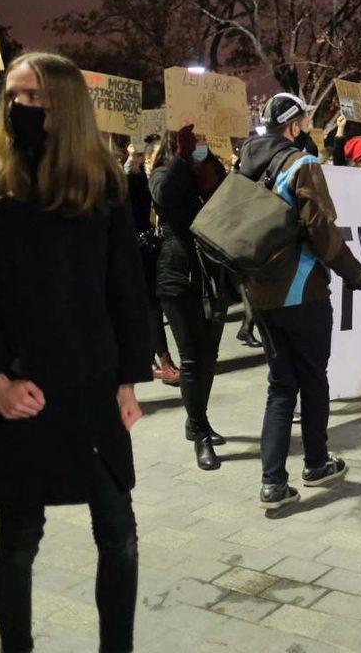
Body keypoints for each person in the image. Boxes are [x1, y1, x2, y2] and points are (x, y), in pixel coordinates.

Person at [0, 51, 150, 653]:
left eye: (37, 98)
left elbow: (125, 289)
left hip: (91, 394)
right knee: (18, 538)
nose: (21, 107)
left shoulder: (102, 183)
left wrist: (128, 379)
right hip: (20, 394)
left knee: (118, 532)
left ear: (67, 107)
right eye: (14, 96)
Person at [239, 92, 361, 509]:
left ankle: (272, 483)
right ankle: (315, 462)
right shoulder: (302, 165)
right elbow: (323, 233)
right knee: (313, 378)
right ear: (294, 126)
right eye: (306, 121)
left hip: (259, 295)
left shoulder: (243, 166)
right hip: (302, 292)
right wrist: (354, 273)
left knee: (281, 386)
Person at [149, 126, 229, 471]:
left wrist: (210, 163)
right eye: (194, 144)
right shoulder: (164, 172)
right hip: (178, 274)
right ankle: (199, 432)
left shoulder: (204, 171)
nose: (199, 148)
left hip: (211, 274)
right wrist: (182, 159)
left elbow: (226, 194)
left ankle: (198, 418)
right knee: (192, 358)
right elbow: (163, 196)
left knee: (209, 355)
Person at [125, 141, 182, 383]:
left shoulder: (140, 179)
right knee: (151, 307)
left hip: (148, 249)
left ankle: (149, 360)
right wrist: (129, 166)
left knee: (151, 307)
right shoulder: (123, 179)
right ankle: (164, 360)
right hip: (135, 253)